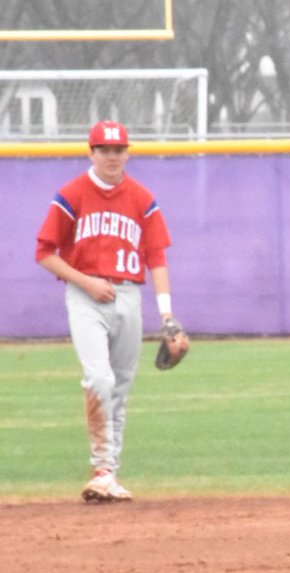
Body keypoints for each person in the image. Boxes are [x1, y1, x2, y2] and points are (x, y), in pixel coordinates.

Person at [35, 120, 176, 502]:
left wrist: (167, 315)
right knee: (99, 379)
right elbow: (44, 253)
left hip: (129, 295)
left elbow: (155, 256)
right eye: (104, 150)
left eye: (118, 150)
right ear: (91, 152)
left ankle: (107, 474)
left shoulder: (142, 198)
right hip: (86, 297)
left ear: (127, 154)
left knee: (120, 388)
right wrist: (86, 282)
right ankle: (101, 469)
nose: (112, 157)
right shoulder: (72, 194)